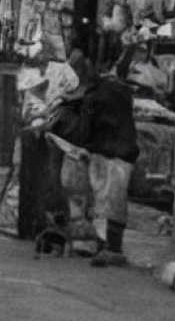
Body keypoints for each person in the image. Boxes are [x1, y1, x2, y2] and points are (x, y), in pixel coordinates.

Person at [47, 50, 140, 266]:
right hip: (116, 151)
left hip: (113, 153)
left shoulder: (96, 97)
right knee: (108, 201)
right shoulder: (108, 90)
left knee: (109, 200)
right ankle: (106, 244)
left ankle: (112, 248)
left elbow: (83, 132)